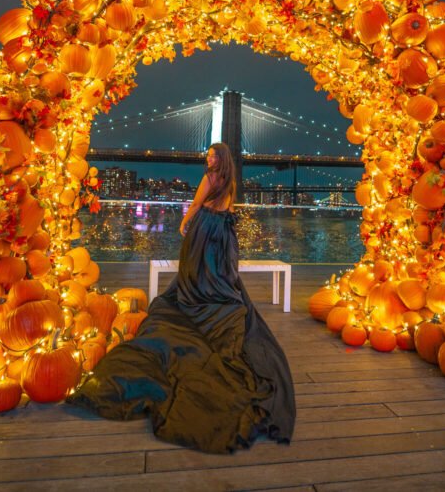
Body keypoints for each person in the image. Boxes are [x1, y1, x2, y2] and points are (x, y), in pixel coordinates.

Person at [68, 142, 296, 453]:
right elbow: (228, 211)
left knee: (195, 268)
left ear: (221, 159)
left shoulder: (210, 179)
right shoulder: (230, 182)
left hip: (204, 229)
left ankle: (195, 293)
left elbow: (196, 205)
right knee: (218, 273)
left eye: (212, 155)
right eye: (208, 155)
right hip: (222, 234)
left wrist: (185, 222)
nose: (208, 158)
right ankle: (211, 292)